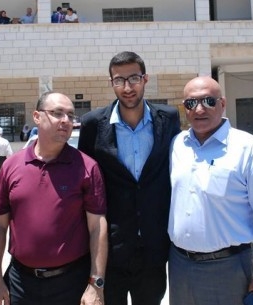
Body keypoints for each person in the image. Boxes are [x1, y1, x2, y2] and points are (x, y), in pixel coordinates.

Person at [168, 76, 253, 305]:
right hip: (180, 266)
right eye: (191, 103)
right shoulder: (177, 144)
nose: (199, 109)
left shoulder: (248, 149)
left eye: (208, 101)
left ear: (222, 104)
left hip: (228, 267)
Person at [78, 51, 181, 305]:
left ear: (145, 79)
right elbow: (86, 183)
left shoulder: (168, 118)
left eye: (134, 78)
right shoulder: (93, 124)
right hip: (111, 250)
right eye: (119, 80)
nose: (127, 87)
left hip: (154, 248)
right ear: (111, 82)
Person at [0, 91, 107, 305]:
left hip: (71, 284)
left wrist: (96, 284)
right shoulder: (11, 166)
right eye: (57, 113)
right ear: (37, 116)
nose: (66, 120)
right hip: (21, 284)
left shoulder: (87, 167)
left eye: (70, 115)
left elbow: (97, 227)